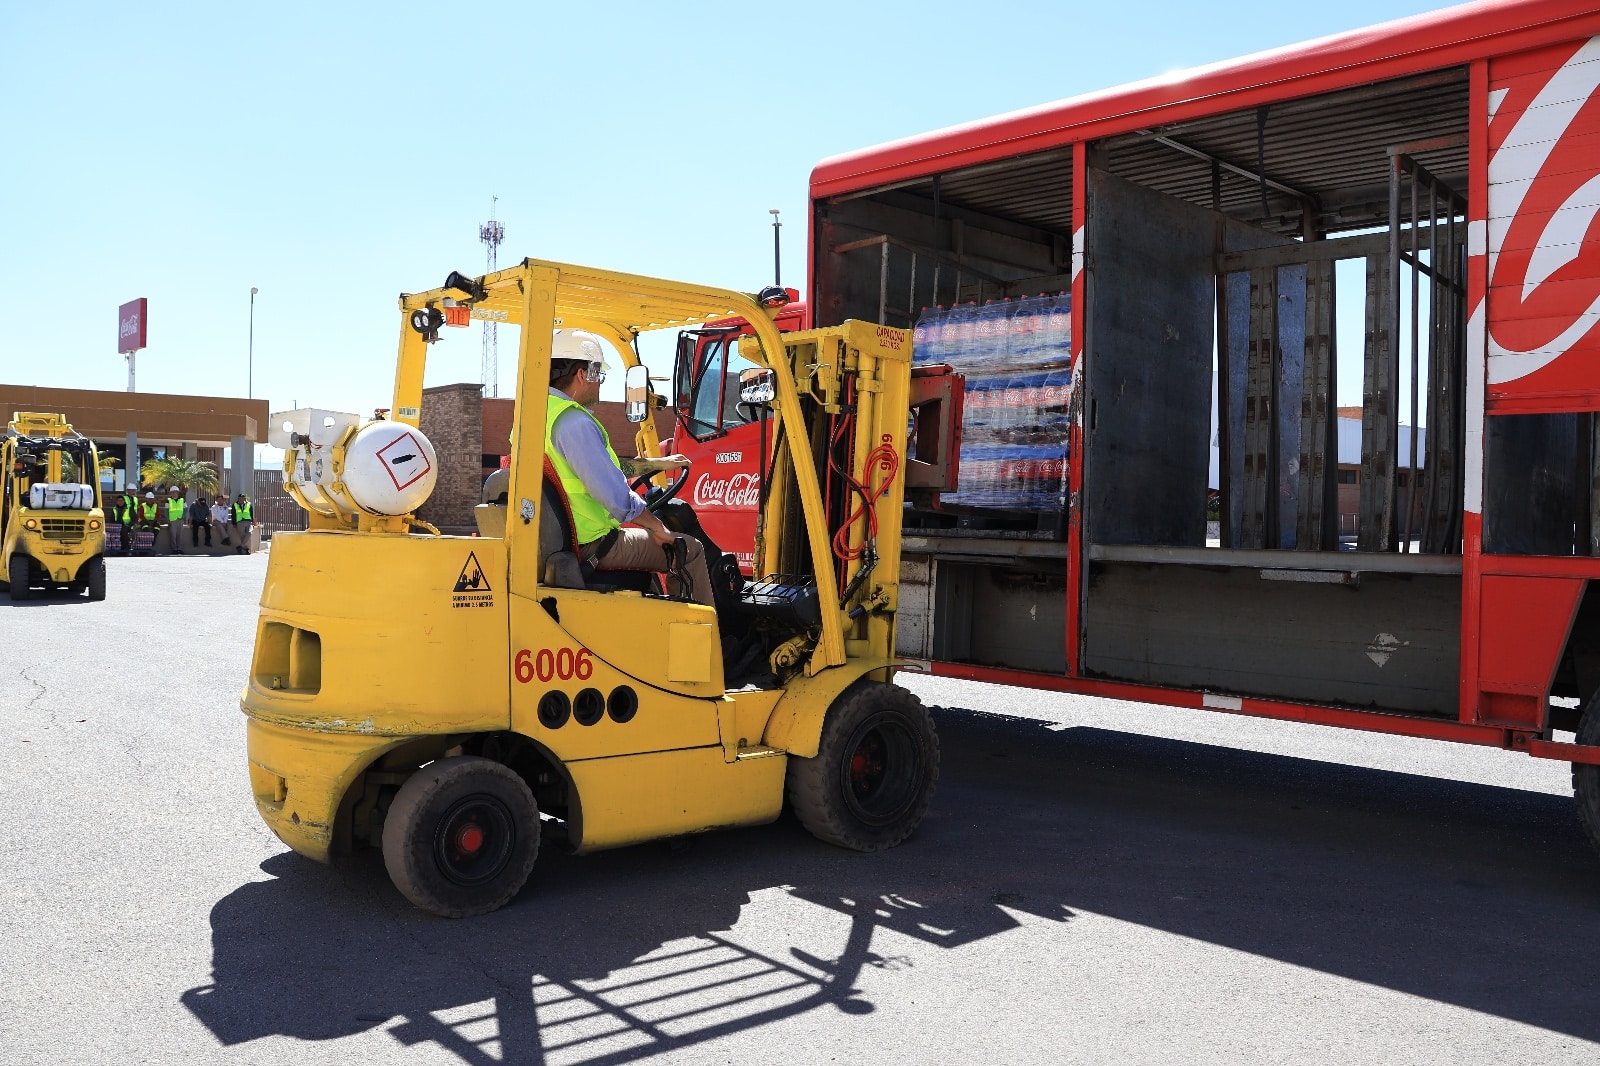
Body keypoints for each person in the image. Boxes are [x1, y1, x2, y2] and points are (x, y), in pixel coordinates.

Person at [545, 329, 713, 606]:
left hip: (560, 538)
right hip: (591, 543)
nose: (599, 384)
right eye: (598, 375)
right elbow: (615, 498)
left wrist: (658, 463)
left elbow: (605, 468)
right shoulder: (575, 423)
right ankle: (702, 639)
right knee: (687, 549)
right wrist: (657, 526)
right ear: (582, 374)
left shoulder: (540, 415)